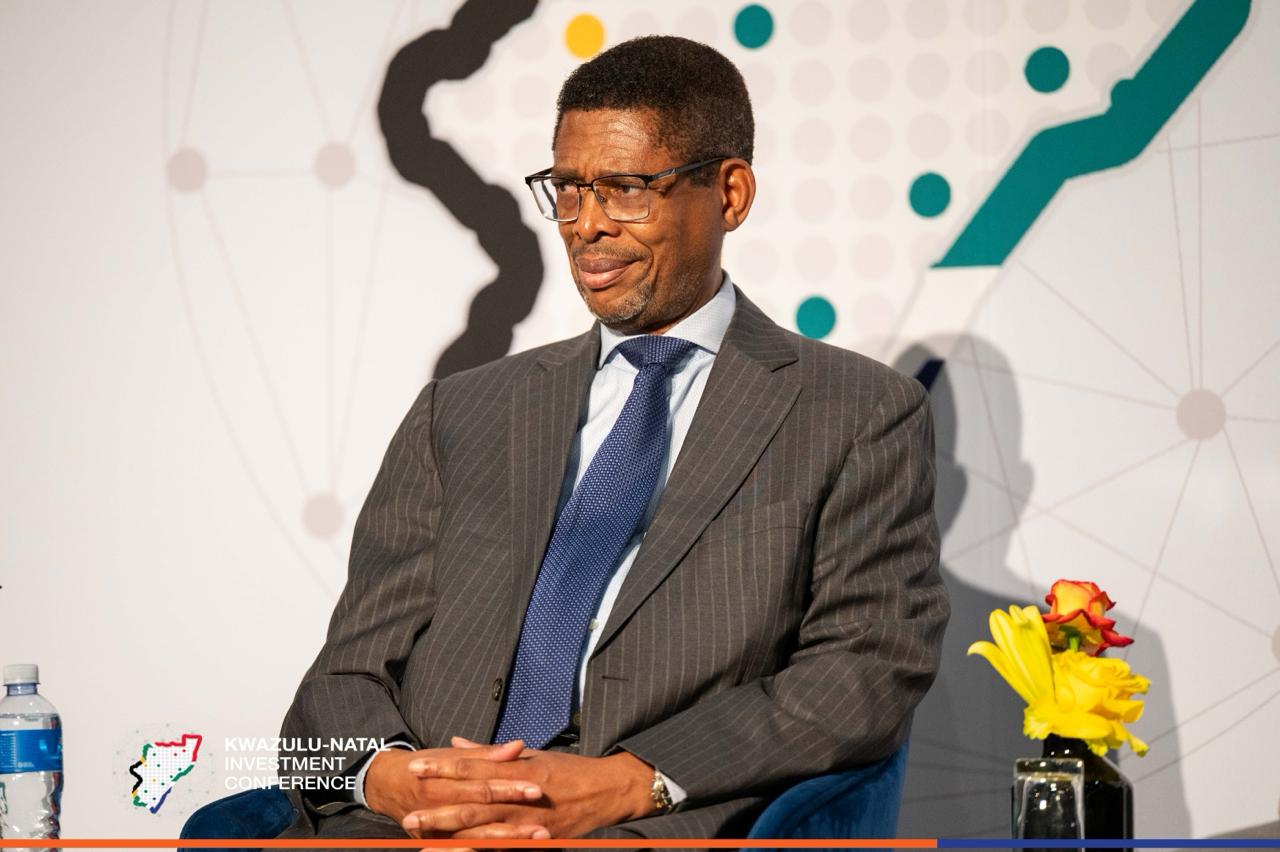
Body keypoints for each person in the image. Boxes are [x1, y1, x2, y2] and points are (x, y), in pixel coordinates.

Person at [276, 34, 948, 844]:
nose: (585, 226)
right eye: (568, 189)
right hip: (409, 824)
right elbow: (345, 673)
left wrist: (630, 783)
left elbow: (864, 670)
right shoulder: (460, 411)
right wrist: (391, 778)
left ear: (730, 193)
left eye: (626, 190)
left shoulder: (857, 411)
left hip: (640, 826)